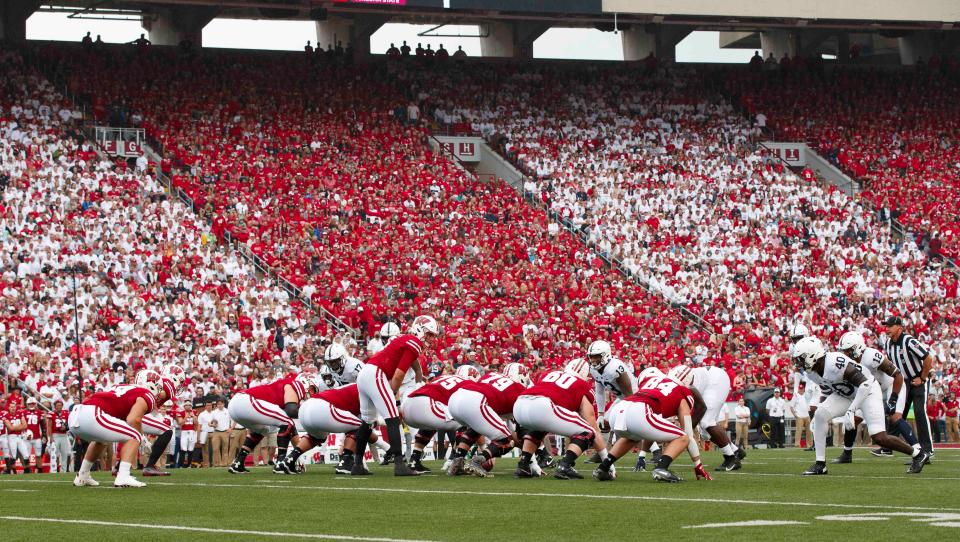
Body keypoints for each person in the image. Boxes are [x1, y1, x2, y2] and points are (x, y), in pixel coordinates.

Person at [792, 336, 929, 476]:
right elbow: (827, 390)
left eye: (801, 358)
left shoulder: (834, 362)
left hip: (868, 391)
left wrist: (851, 410)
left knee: (879, 437)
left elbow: (864, 383)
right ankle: (820, 464)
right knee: (820, 414)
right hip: (846, 394)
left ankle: (918, 454)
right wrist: (820, 410)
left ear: (812, 356)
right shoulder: (812, 373)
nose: (799, 363)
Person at [351, 315, 439, 476]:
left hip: (366, 373)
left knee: (367, 421)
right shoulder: (414, 342)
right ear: (420, 329)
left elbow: (407, 364)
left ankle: (357, 464)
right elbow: (398, 375)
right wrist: (392, 397)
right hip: (375, 373)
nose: (431, 339)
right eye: (430, 334)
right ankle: (399, 464)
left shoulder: (404, 339)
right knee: (392, 417)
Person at [592, 371, 711, 483]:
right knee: (683, 437)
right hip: (640, 411)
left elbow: (649, 432)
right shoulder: (682, 391)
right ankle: (661, 468)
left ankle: (603, 468)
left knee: (632, 437)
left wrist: (642, 454)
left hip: (619, 409)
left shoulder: (652, 380)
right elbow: (688, 434)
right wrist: (698, 465)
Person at [513, 359, 605, 480]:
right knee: (589, 431)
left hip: (519, 404)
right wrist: (606, 460)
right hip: (542, 405)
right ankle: (565, 465)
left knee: (538, 429)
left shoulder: (550, 374)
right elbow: (591, 422)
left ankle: (524, 464)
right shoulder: (582, 384)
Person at [834, 331, 913, 463]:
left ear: (856, 348)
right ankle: (847, 454)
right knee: (853, 419)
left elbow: (897, 375)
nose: (844, 354)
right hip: (872, 390)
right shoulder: (848, 362)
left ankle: (919, 450)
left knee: (895, 417)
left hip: (890, 386)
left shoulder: (871, 356)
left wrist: (893, 398)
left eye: (847, 351)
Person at [69, 382, 161, 488]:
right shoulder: (146, 394)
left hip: (76, 413)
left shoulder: (121, 388)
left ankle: (82, 476)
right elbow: (133, 419)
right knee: (134, 436)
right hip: (93, 413)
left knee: (101, 440)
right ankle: (123, 476)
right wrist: (142, 438)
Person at [227, 372, 320, 474]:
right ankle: (281, 463)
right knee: (287, 422)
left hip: (236, 404)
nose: (313, 393)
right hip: (246, 401)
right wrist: (309, 415)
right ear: (306, 383)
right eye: (312, 389)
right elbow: (291, 411)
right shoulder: (297, 385)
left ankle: (238, 463)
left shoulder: (287, 388)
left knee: (263, 429)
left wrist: (297, 452)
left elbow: (290, 427)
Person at [448, 365, 529, 477]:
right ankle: (477, 461)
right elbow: (520, 430)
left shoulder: (492, 375)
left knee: (476, 429)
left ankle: (457, 461)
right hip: (475, 401)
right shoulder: (520, 390)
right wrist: (528, 451)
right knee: (507, 439)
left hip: (455, 398)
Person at [669, 364, 746, 470]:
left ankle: (731, 458)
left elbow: (701, 408)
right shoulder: (673, 381)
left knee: (706, 423)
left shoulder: (689, 386)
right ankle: (735, 450)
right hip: (708, 380)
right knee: (705, 433)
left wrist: (686, 430)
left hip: (716, 380)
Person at [878, 316, 935, 457]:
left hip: (917, 381)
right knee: (896, 413)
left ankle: (927, 449)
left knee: (919, 412)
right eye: (886, 326)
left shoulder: (909, 341)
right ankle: (888, 446)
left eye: (890, 326)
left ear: (899, 327)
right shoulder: (888, 343)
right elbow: (891, 364)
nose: (887, 329)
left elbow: (928, 358)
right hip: (903, 382)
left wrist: (922, 378)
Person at [399, 370, 476, 473]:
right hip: (427, 405)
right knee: (468, 420)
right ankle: (457, 461)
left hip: (407, 405)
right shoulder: (469, 384)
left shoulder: (444, 377)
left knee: (430, 425)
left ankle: (414, 460)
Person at [47, 398, 72, 472]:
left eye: (60, 405)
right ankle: (54, 470)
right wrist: (50, 437)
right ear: (55, 406)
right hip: (55, 435)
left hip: (64, 435)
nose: (59, 407)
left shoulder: (66, 413)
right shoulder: (52, 413)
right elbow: (49, 426)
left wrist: (66, 427)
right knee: (55, 454)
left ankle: (63, 471)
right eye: (57, 405)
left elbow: (69, 423)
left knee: (65, 454)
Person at [209, 399, 231, 467]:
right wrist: (212, 425)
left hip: (225, 432)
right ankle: (217, 463)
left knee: (225, 449)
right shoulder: (214, 412)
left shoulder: (228, 411)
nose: (220, 405)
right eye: (218, 404)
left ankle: (224, 463)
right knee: (215, 448)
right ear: (216, 405)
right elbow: (210, 422)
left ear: (223, 404)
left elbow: (233, 420)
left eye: (221, 404)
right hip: (216, 432)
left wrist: (231, 428)